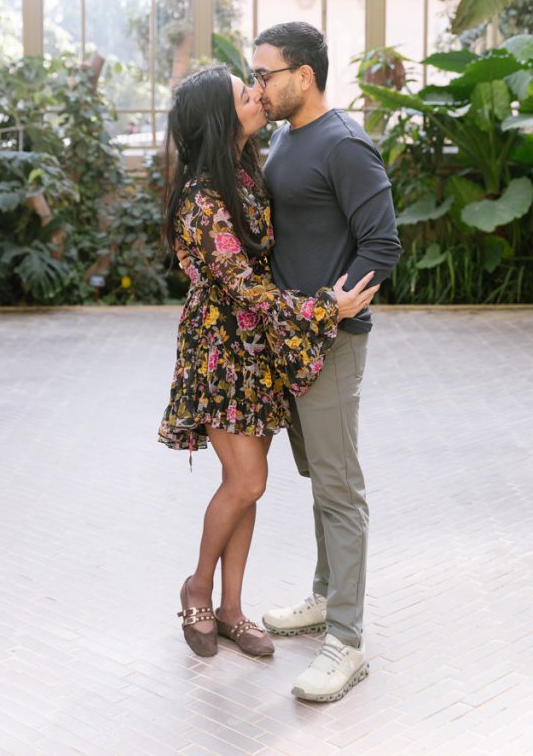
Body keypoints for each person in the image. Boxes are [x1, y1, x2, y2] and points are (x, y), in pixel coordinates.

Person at [157, 64, 379, 661]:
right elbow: (244, 287)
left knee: (246, 487)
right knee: (247, 480)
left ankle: (232, 609)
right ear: (219, 118)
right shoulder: (202, 198)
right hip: (221, 352)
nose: (257, 94)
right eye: (244, 93)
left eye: (254, 85)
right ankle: (198, 586)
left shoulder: (247, 170)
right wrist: (324, 309)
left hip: (258, 351)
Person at [252, 22, 401, 703]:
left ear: (303, 76)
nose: (258, 85)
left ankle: (346, 640)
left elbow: (382, 242)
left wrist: (333, 309)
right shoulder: (287, 137)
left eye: (266, 74)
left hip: (330, 343)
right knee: (319, 478)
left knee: (339, 488)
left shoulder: (343, 144)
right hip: (291, 340)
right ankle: (323, 596)